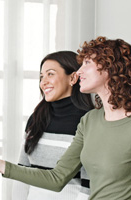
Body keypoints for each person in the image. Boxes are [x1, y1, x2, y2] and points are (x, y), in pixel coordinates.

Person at [0, 36, 131, 200]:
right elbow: (56, 178)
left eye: (87, 63)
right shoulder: (90, 121)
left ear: (110, 68)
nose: (79, 71)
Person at [11, 51, 94, 200]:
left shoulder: (89, 120)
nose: (43, 82)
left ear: (73, 77)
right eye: (41, 77)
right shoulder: (36, 118)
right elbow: (22, 171)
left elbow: (89, 184)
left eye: (50, 74)